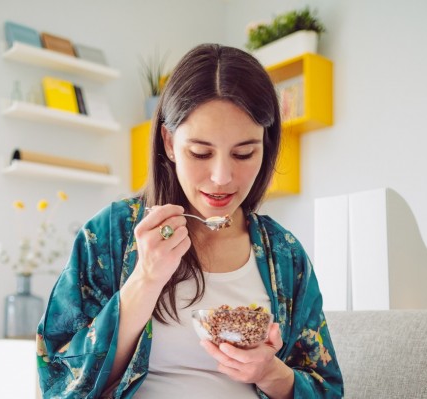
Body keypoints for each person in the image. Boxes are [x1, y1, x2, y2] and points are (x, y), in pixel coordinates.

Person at [36, 43, 344, 399]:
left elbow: (329, 390)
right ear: (168, 142)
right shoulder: (111, 235)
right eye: (200, 152)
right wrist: (146, 278)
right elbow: (58, 384)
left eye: (244, 153)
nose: (222, 177)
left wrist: (272, 373)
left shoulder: (284, 255)